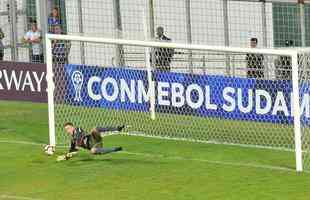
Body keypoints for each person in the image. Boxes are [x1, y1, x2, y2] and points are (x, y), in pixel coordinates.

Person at [57, 122, 125, 161]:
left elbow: (79, 137)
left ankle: (117, 128)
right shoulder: (72, 140)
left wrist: (77, 145)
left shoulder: (78, 129)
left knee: (94, 129)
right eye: (66, 130)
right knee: (93, 151)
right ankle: (115, 149)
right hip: (94, 146)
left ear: (73, 127)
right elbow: (72, 152)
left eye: (68, 128)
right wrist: (65, 157)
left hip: (94, 138)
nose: (68, 131)